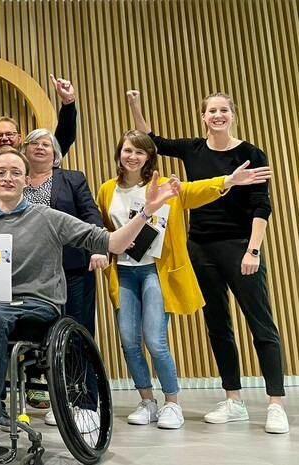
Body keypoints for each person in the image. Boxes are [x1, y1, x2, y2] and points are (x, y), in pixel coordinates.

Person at [0, 147, 180, 448]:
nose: (8, 178)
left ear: (27, 180)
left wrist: (147, 211)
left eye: (16, 173)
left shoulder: (48, 217)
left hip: (38, 307)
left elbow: (113, 241)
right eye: (1, 173)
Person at [127, 90, 289, 434]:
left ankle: (276, 403)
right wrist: (136, 106)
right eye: (211, 110)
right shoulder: (193, 149)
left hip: (239, 245)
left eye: (223, 110)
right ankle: (234, 400)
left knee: (261, 324)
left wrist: (253, 250)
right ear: (203, 117)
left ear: (232, 115)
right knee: (218, 325)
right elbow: (152, 141)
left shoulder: (250, 153)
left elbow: (262, 206)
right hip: (200, 247)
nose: (217, 115)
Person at [96, 130, 271, 430]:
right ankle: (147, 400)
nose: (132, 156)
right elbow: (102, 226)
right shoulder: (106, 190)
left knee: (155, 339)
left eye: (140, 152)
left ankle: (172, 404)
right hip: (123, 272)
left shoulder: (165, 186)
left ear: (149, 157)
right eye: (127, 150)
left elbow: (195, 190)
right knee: (128, 340)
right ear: (119, 154)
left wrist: (228, 181)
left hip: (155, 271)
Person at [20, 128, 105, 413]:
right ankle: (49, 399)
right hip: (30, 273)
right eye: (34, 144)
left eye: (47, 144)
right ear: (25, 151)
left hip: (73, 267)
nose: (40, 148)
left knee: (77, 333)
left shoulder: (72, 179)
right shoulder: (17, 181)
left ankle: (84, 404)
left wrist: (98, 247)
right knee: (38, 337)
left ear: (56, 153)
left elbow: (91, 214)